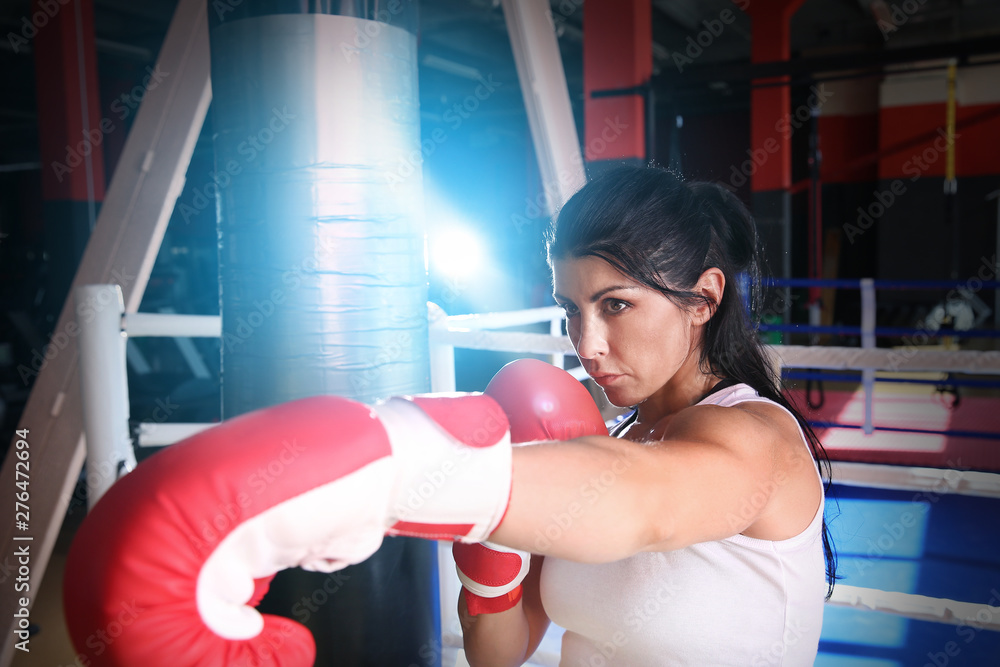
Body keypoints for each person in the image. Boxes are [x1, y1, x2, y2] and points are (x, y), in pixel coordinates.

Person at [455, 165, 837, 666]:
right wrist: (489, 557)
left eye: (615, 305)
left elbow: (643, 509)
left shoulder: (754, 437)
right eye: (571, 309)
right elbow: (496, 656)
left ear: (703, 299)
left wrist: (460, 473)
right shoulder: (610, 440)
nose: (586, 345)